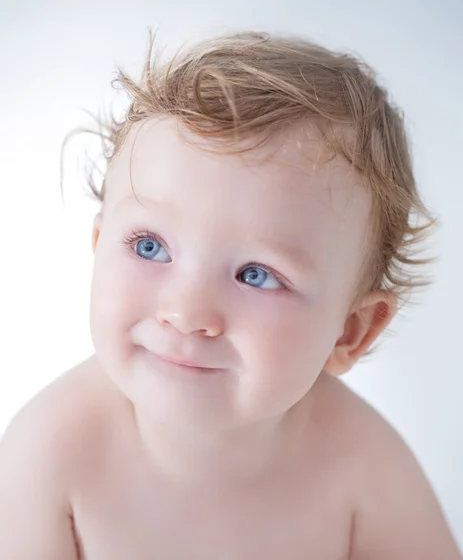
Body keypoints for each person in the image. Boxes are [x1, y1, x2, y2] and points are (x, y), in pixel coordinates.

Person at [0, 29, 461, 559]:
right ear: (99, 246)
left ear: (351, 330)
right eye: (149, 247)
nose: (186, 312)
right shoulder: (50, 453)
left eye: (257, 275)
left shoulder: (364, 465)